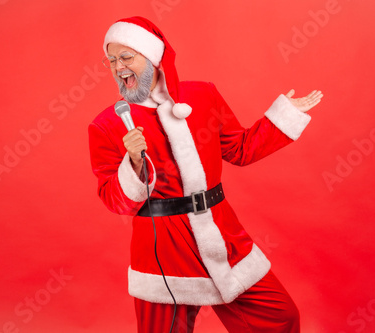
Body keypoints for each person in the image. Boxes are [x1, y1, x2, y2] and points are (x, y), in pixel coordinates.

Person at [88, 16, 322, 333]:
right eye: (112, 60)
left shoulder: (203, 96)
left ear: (153, 56)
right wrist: (133, 163)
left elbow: (241, 149)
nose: (118, 67)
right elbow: (114, 201)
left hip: (221, 235)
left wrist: (283, 117)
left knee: (280, 317)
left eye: (126, 57)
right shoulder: (106, 125)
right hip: (164, 248)